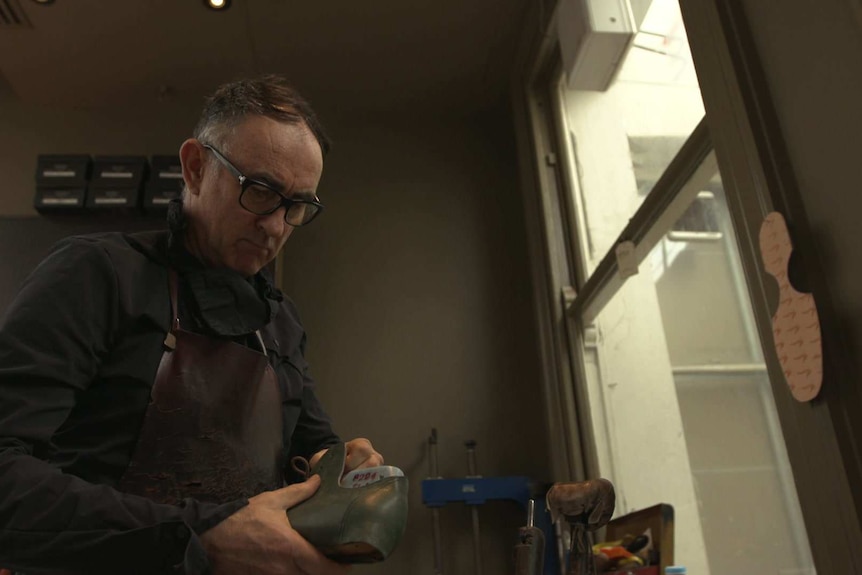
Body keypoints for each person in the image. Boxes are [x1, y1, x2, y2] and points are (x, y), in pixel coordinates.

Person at [0, 75, 383, 574]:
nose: (274, 226)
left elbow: (312, 447)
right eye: (261, 190)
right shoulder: (99, 276)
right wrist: (199, 536)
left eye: (297, 206)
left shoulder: (280, 322)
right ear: (196, 167)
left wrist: (339, 465)